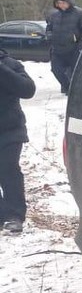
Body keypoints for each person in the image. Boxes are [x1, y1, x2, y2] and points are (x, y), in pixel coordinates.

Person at [0, 47, 36, 234]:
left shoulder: (9, 64)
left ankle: (14, 216)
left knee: (8, 170)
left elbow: (28, 89)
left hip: (9, 131)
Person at [45, 0, 82, 94]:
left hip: (74, 49)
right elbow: (49, 28)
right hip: (57, 49)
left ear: (69, 2)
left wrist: (81, 45)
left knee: (75, 72)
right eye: (59, 3)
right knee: (55, 70)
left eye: (63, 2)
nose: (61, 5)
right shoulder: (53, 15)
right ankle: (66, 86)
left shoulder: (80, 13)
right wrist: (49, 36)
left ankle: (74, 90)